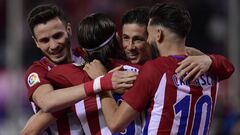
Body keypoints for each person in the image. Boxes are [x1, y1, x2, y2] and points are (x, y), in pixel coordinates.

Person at [99, 2, 235, 134]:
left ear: (158, 34)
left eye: (148, 33)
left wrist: (102, 83)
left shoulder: (155, 69)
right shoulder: (211, 70)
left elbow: (115, 124)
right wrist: (210, 59)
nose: (148, 39)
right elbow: (229, 68)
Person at [21, 4, 135, 135]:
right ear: (36, 42)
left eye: (57, 36)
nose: (53, 45)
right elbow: (47, 101)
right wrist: (101, 82)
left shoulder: (88, 55)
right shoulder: (38, 71)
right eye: (44, 40)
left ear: (68, 30)